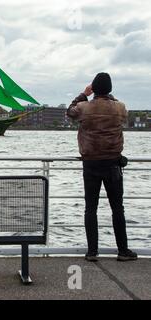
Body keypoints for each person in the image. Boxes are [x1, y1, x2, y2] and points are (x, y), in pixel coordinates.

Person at [67, 72, 137, 262]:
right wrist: (110, 97)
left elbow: (70, 111)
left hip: (90, 163)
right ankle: (123, 250)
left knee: (91, 208)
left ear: (93, 89)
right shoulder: (119, 108)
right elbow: (121, 111)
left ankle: (92, 252)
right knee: (117, 208)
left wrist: (84, 94)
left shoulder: (83, 107)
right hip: (113, 163)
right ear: (110, 89)